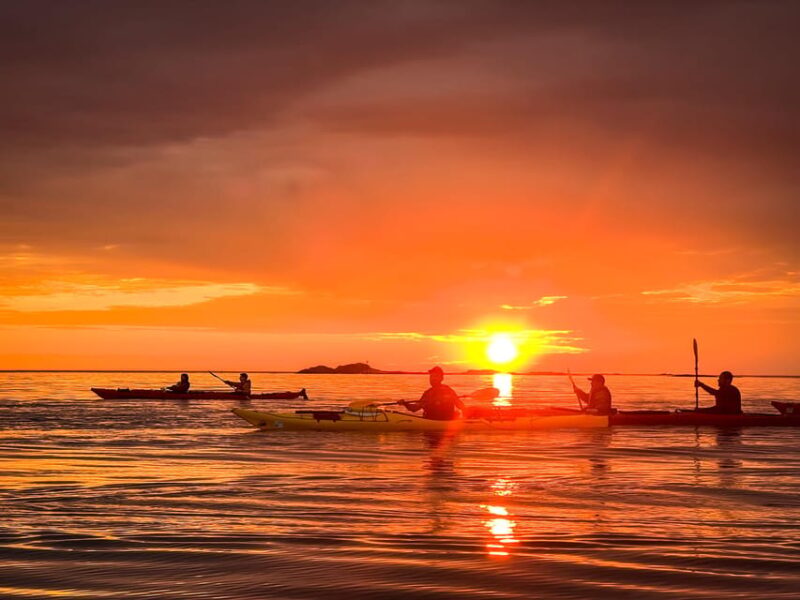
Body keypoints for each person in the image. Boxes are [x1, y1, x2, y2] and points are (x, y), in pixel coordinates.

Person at [398, 366, 464, 420]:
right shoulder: (427, 393)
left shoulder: (448, 390)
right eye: (431, 377)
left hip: (446, 421)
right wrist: (405, 403)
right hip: (430, 420)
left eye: (435, 376)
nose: (432, 379)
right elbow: (415, 408)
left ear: (441, 378)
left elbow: (459, 405)